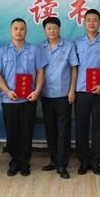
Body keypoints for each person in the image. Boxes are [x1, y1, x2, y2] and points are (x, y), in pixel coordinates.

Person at [0, 18, 47, 176]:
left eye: (22, 29)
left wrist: (37, 91)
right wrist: (7, 91)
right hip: (9, 100)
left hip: (29, 99)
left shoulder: (35, 50)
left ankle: (25, 163)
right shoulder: (1, 52)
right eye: (15, 28)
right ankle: (14, 161)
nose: (18, 31)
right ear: (10, 31)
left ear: (26, 31)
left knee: (26, 132)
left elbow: (40, 72)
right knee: (12, 132)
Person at [74, 9, 100, 175]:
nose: (91, 23)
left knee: (98, 127)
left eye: (95, 20)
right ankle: (83, 161)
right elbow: (74, 68)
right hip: (81, 91)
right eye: (88, 20)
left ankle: (96, 161)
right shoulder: (77, 43)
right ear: (84, 23)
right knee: (81, 127)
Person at [39, 17, 78, 179]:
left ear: (59, 29)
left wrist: (72, 91)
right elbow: (38, 71)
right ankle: (54, 160)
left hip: (63, 95)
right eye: (49, 28)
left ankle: (62, 164)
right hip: (46, 94)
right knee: (50, 130)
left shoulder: (68, 46)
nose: (52, 31)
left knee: (63, 131)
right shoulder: (40, 47)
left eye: (54, 28)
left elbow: (74, 69)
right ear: (44, 30)